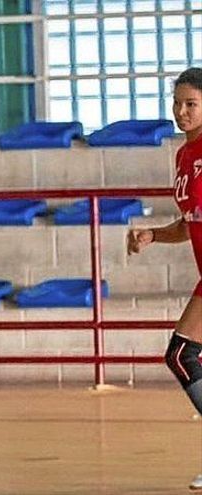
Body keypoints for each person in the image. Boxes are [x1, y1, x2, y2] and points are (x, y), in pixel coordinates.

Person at [126, 67, 202, 491]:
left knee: (182, 355)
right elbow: (190, 222)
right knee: (183, 356)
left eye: (191, 103)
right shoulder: (184, 156)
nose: (181, 111)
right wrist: (154, 234)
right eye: (177, 103)